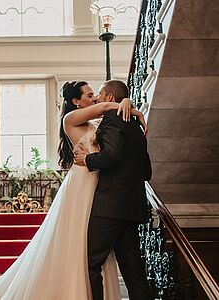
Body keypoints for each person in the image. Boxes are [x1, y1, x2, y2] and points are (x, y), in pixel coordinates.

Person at [0, 80, 146, 299]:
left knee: (93, 252)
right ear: (76, 101)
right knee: (84, 248)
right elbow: (107, 105)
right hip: (83, 182)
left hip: (100, 186)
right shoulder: (71, 118)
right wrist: (128, 105)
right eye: (89, 95)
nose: (94, 97)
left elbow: (114, 145)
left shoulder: (100, 122)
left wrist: (124, 106)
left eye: (96, 94)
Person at [74, 80, 152, 300]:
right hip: (132, 208)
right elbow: (146, 172)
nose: (96, 98)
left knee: (91, 263)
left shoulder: (112, 118)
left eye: (99, 94)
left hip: (110, 207)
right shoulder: (136, 126)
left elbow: (112, 155)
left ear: (109, 98)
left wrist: (87, 159)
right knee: (134, 272)